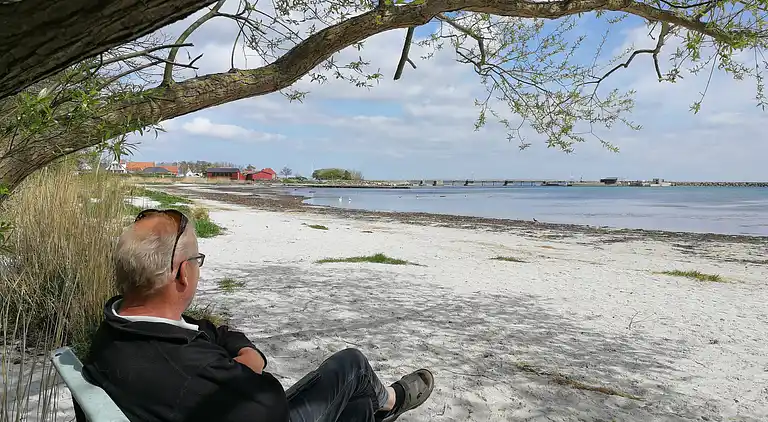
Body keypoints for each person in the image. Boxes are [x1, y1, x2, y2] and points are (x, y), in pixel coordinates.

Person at [81, 208, 434, 422]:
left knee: (356, 410)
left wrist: (234, 352)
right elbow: (269, 401)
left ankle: (380, 406)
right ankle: (390, 402)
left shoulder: (118, 328)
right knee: (351, 365)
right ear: (183, 275)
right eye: (196, 261)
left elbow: (209, 330)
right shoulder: (191, 370)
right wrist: (248, 363)